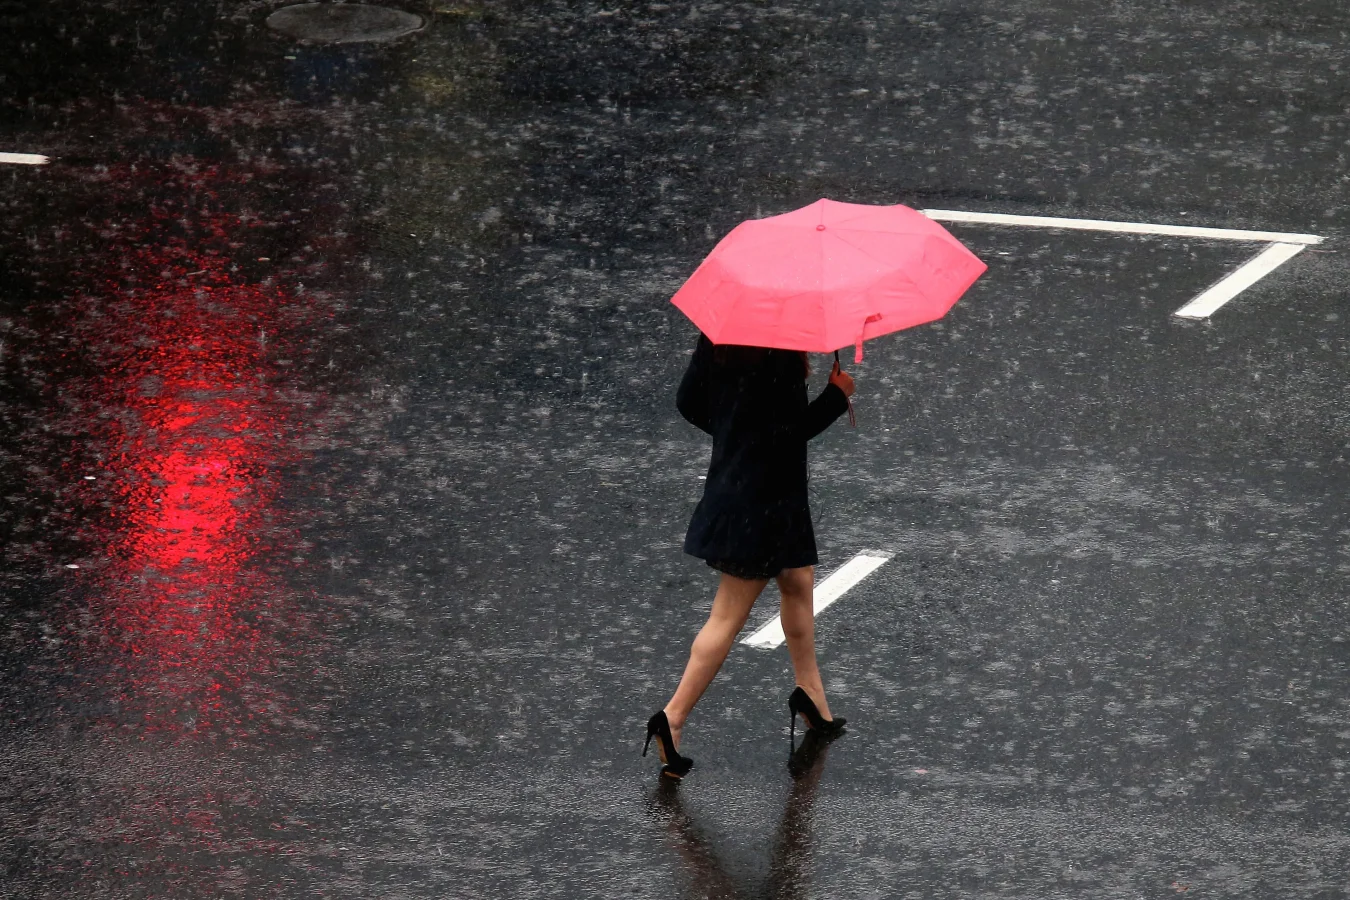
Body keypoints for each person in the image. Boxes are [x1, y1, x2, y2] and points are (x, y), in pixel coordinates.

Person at [642, 334, 855, 778]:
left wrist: (735, 432)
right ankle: (672, 718)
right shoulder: (776, 344)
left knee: (798, 581)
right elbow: (789, 430)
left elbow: (689, 401)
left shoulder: (721, 332)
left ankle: (810, 695)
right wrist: (837, 396)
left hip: (748, 489)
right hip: (764, 503)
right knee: (727, 616)